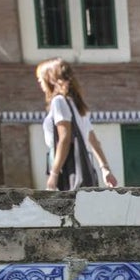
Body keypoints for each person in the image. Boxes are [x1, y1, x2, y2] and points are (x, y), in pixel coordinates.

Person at [36, 58, 118, 190]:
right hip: (83, 167)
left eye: (41, 79)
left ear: (50, 79)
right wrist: (105, 169)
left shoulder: (59, 102)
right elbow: (93, 140)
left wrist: (54, 173)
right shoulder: (77, 104)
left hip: (68, 170)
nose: (40, 84)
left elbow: (65, 138)